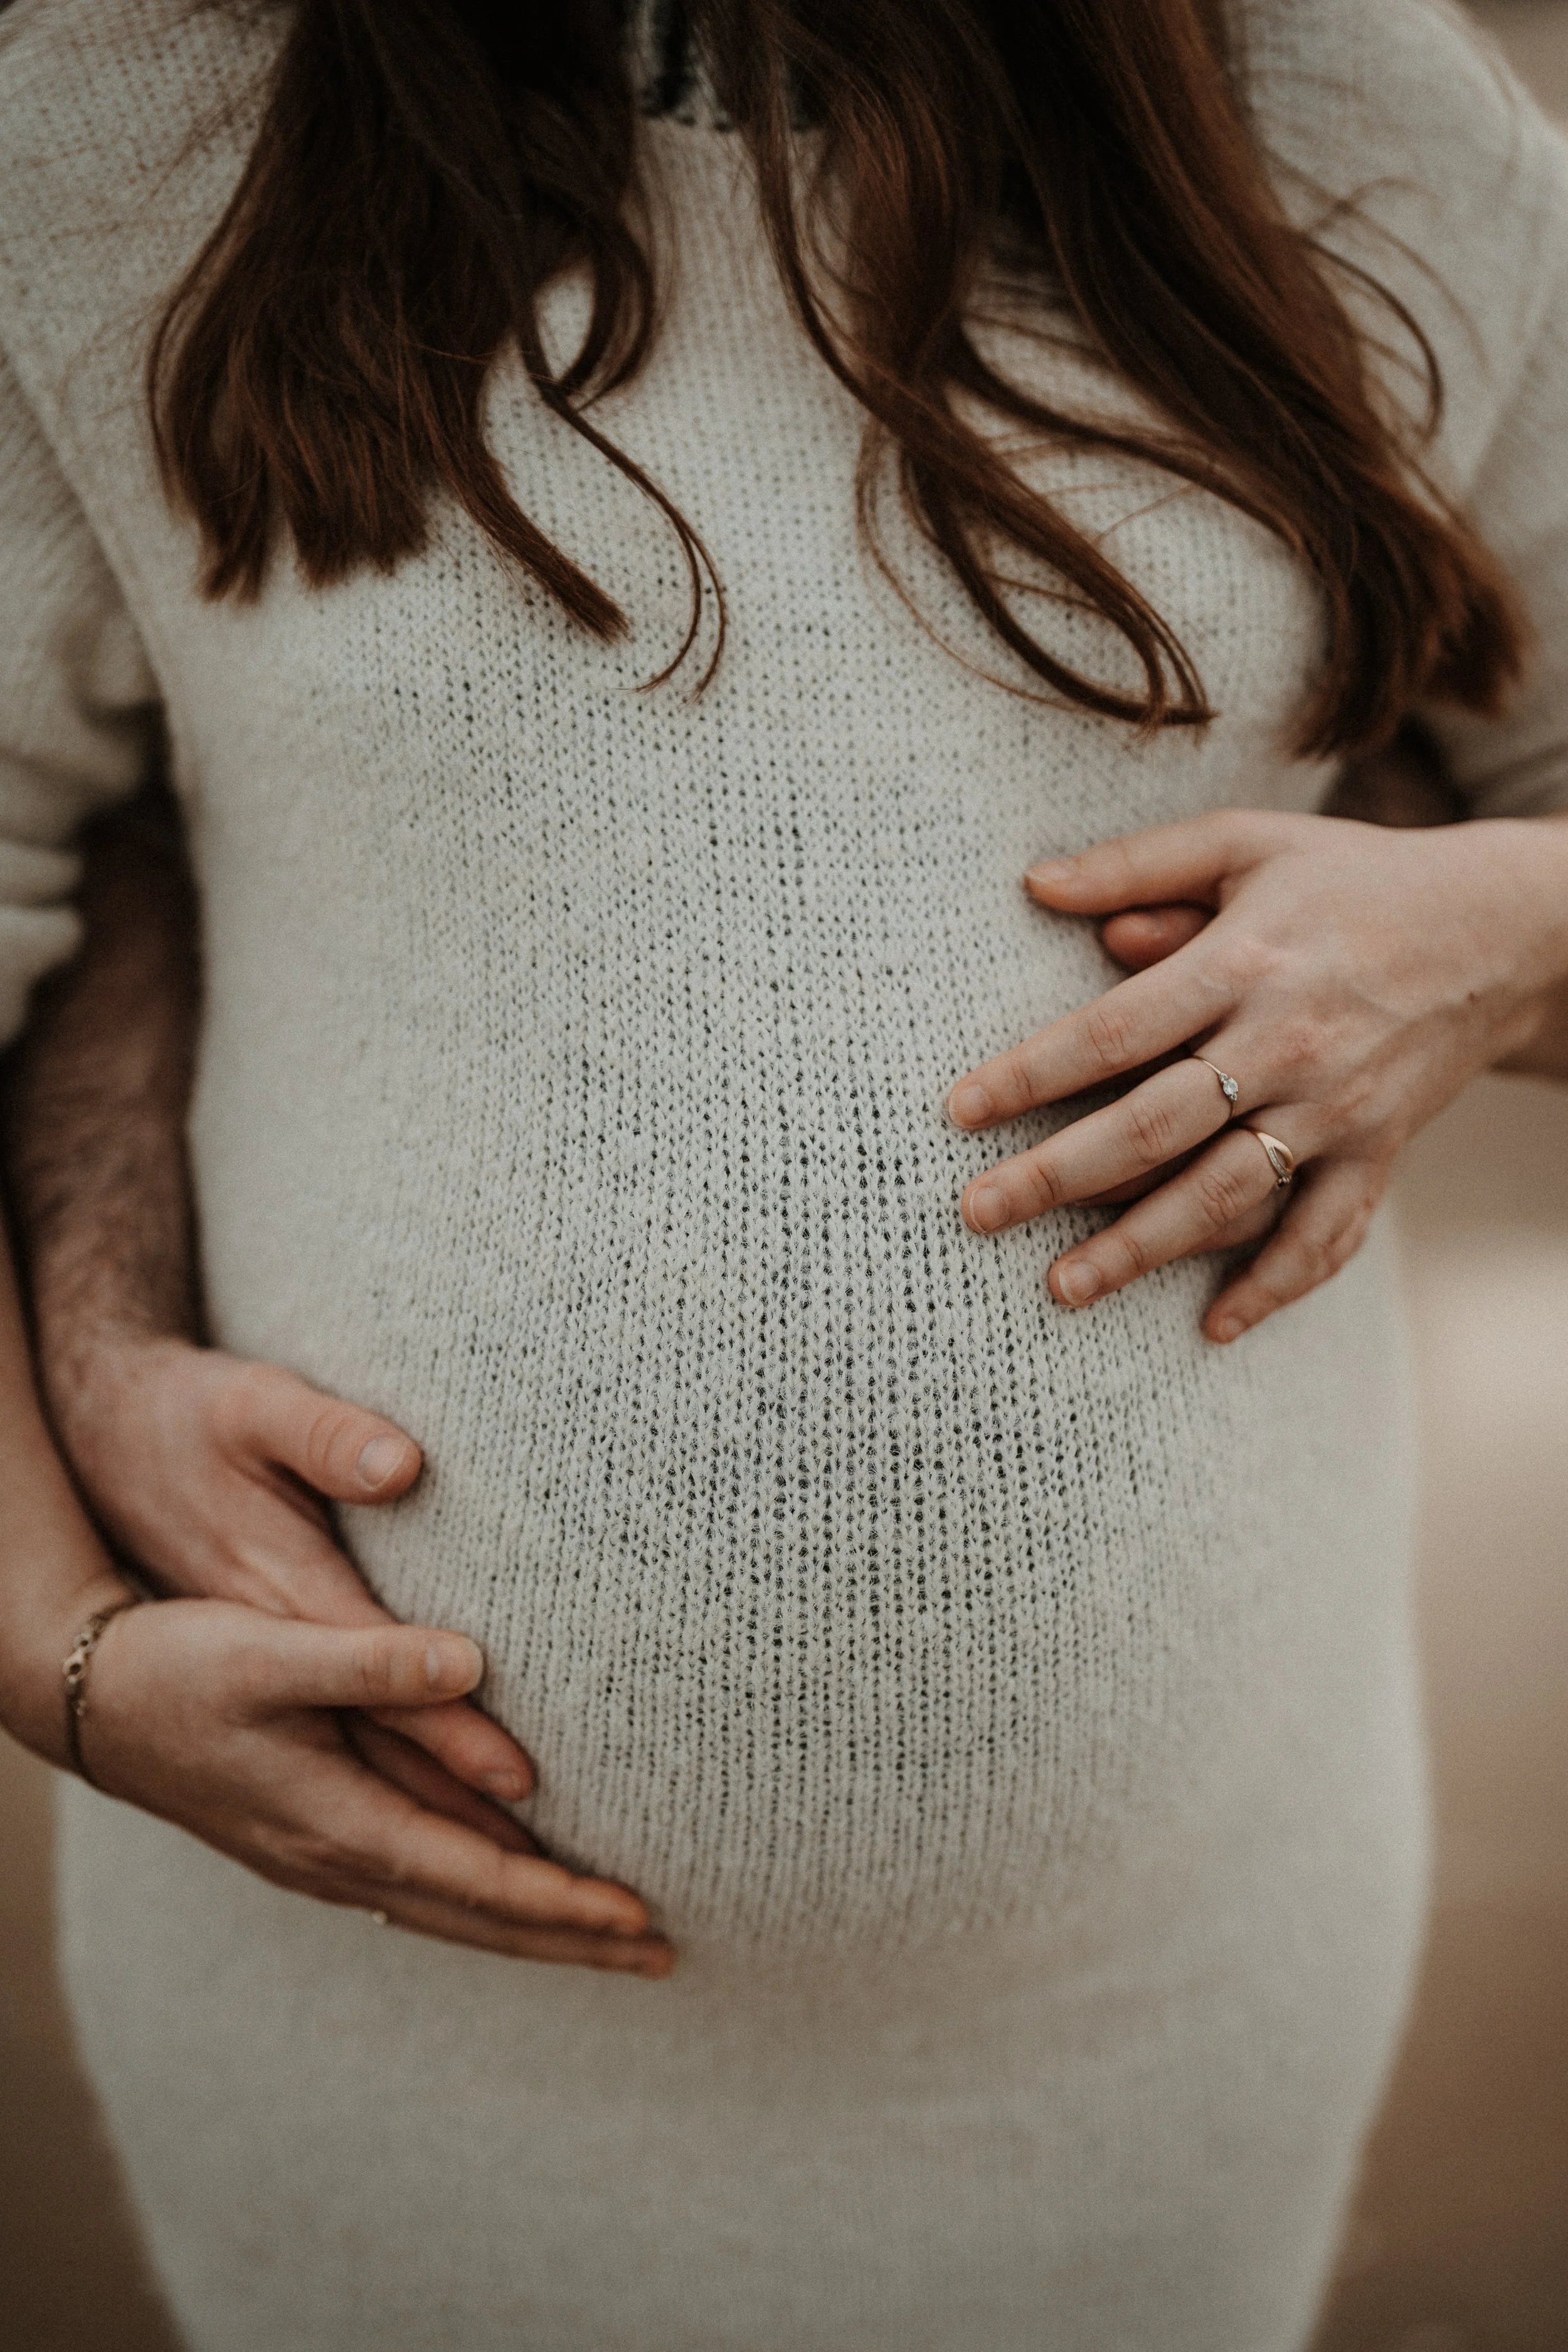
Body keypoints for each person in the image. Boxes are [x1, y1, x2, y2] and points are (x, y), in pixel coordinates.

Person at [3, 0, 1568, 2344]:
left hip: (1166, 1987)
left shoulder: (1346, 106)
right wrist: (53, 1640)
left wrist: (1505, 927)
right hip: (372, 2007)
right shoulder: (99, 121)